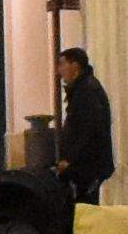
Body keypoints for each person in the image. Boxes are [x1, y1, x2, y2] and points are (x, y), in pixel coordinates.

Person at [51, 44, 119, 213]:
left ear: (75, 66)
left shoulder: (86, 91)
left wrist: (70, 160)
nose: (59, 71)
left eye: (62, 64)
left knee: (84, 211)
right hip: (85, 165)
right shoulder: (84, 88)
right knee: (82, 210)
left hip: (87, 167)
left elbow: (88, 131)